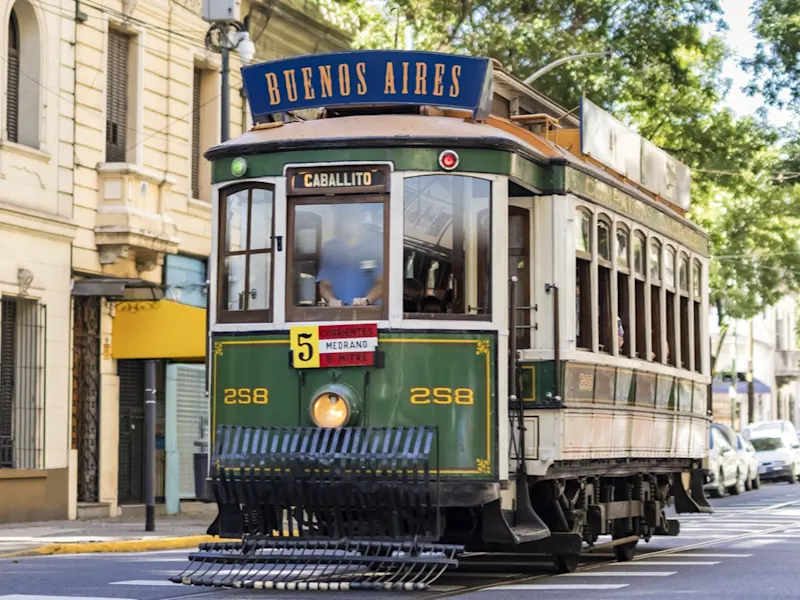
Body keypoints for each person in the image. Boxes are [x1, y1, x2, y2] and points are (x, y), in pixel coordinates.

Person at [316, 205, 383, 307]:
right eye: (345, 216)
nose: (349, 220)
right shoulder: (330, 247)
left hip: (370, 313)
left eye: (353, 216)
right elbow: (325, 284)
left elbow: (382, 283)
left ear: (361, 218)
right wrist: (331, 300)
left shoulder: (376, 246)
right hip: (339, 314)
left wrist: (367, 300)